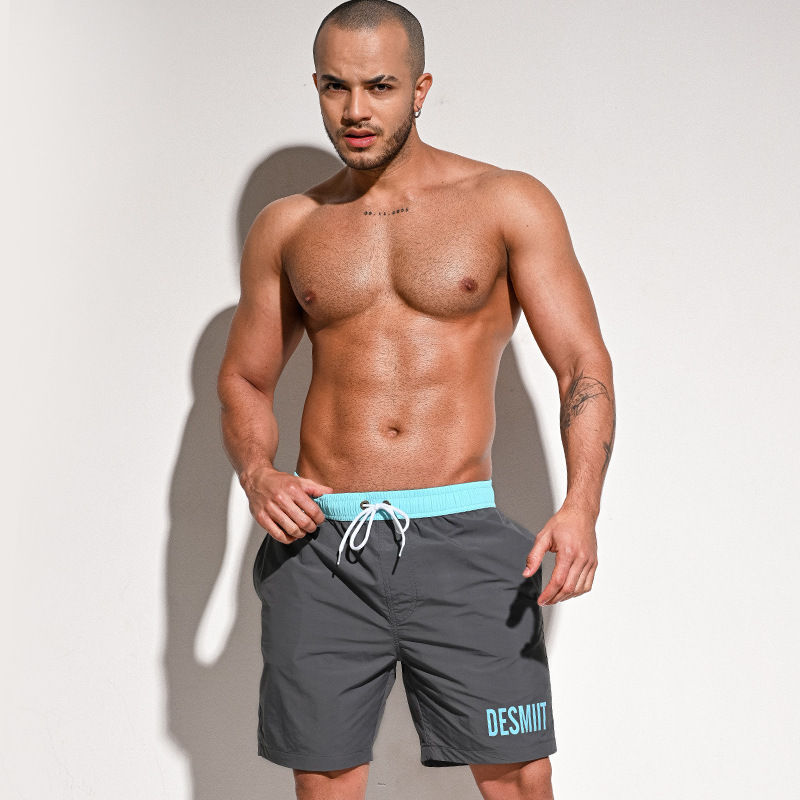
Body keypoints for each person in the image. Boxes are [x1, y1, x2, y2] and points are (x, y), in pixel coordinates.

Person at [216, 1, 616, 798]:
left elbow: (581, 364)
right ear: (317, 87)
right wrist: (258, 474)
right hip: (323, 546)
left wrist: (582, 506)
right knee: (325, 784)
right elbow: (244, 378)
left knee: (519, 777)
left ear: (420, 89)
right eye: (335, 86)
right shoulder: (288, 226)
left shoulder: (506, 202)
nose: (355, 110)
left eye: (380, 86)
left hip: (461, 534)